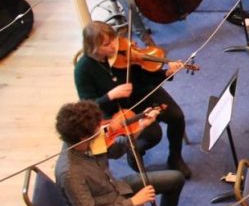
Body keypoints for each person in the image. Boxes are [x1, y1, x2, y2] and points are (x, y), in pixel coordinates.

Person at [54, 100, 197, 206]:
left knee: (176, 178)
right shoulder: (70, 174)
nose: (102, 130)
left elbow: (117, 151)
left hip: (115, 188)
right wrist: (133, 202)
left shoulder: (86, 142)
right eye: (97, 130)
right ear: (82, 137)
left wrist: (140, 126)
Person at [73, 21, 191, 178]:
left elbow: (144, 77)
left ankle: (175, 158)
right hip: (116, 109)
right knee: (153, 134)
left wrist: (166, 73)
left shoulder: (123, 52)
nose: (114, 46)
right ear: (93, 47)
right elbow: (88, 107)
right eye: (107, 44)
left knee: (177, 116)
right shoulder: (83, 70)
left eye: (114, 40)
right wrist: (110, 95)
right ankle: (133, 151)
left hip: (141, 93)